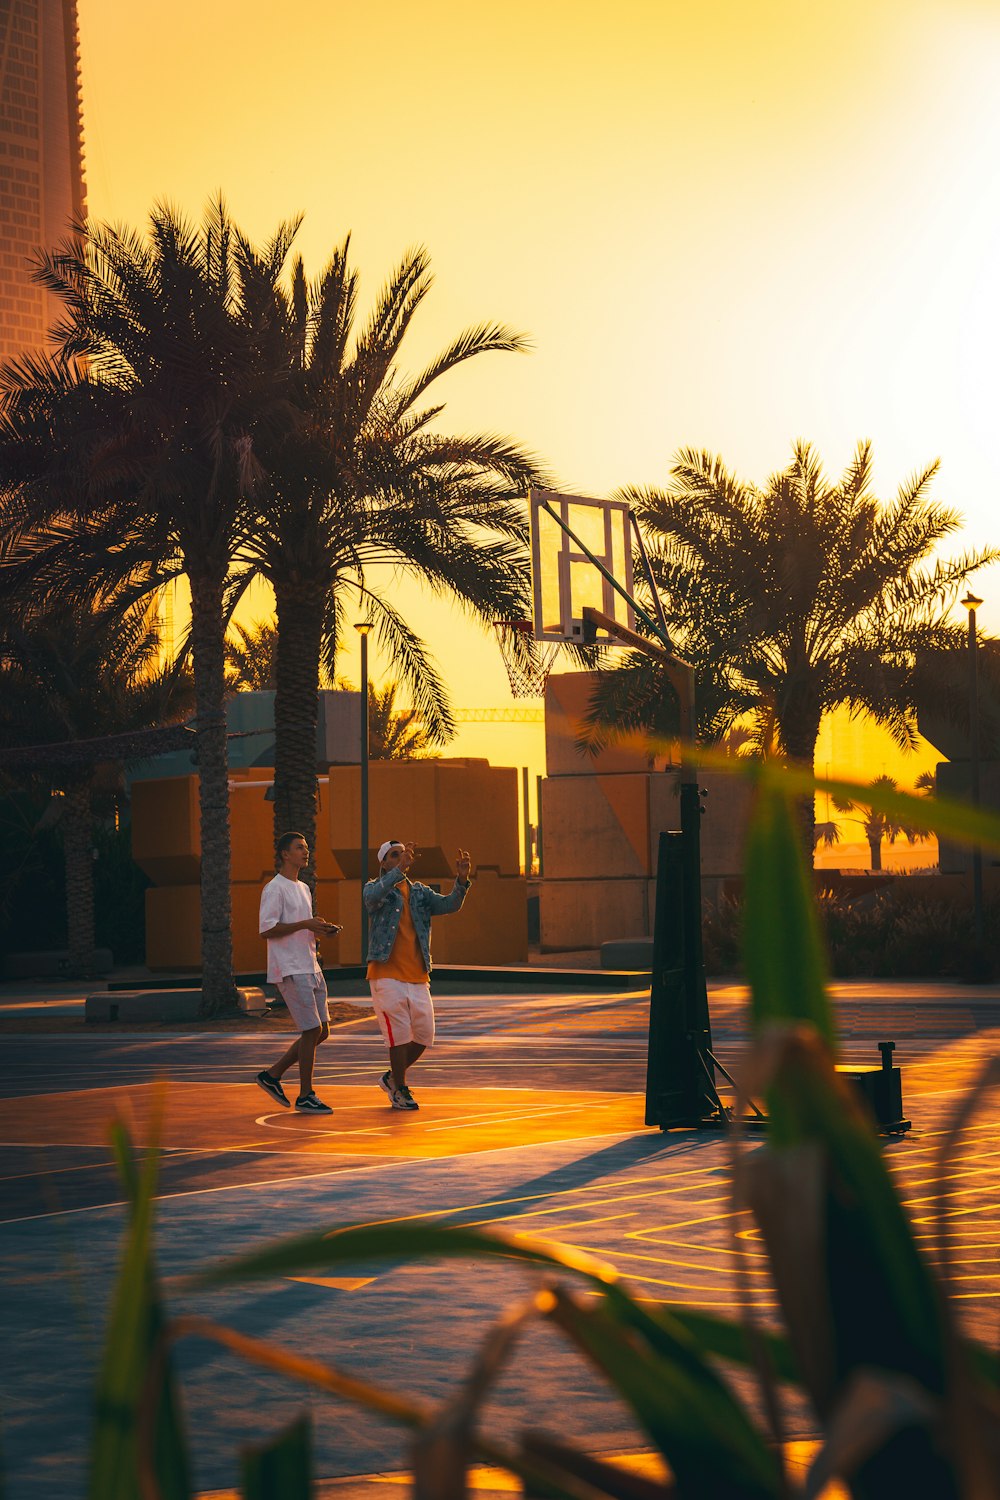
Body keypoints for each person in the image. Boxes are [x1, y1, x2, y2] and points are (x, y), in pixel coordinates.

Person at [364, 839, 472, 1110]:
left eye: (402, 854)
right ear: (384, 862)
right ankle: (400, 1088)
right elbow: (371, 899)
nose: (402, 858)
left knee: (424, 1035)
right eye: (394, 855)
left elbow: (449, 905)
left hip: (418, 975)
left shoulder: (420, 893)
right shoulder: (376, 889)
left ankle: (391, 1077)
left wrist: (461, 879)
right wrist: (398, 872)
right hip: (386, 974)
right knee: (398, 1037)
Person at [255, 831, 341, 1114]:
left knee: (322, 1032)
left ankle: (272, 1075)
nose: (306, 851)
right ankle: (306, 1095)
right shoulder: (274, 888)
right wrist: (305, 923)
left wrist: (320, 931)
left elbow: (301, 927)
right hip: (290, 967)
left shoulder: (303, 888)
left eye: (306, 847)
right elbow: (267, 928)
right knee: (311, 1029)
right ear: (284, 854)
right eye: (299, 847)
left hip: (310, 964)